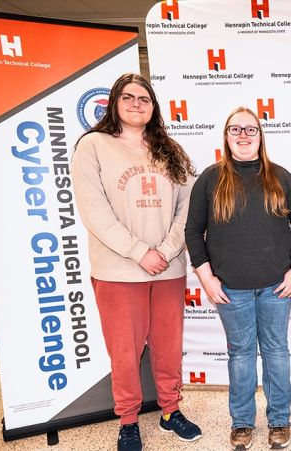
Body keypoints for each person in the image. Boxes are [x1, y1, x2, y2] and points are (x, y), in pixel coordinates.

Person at [71, 73, 201, 451]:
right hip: (118, 270)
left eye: (144, 99)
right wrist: (139, 251)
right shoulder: (93, 145)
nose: (136, 104)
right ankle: (128, 420)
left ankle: (170, 411)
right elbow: (94, 211)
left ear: (153, 107)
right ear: (114, 102)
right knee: (125, 353)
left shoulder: (170, 149)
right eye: (128, 97)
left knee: (168, 347)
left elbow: (187, 207)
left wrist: (166, 250)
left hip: (167, 268)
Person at [185, 107, 291, 450]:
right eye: (235, 129)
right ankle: (242, 423)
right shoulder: (210, 179)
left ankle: (279, 420)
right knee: (240, 355)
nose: (243, 135)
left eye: (250, 129)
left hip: (276, 288)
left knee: (276, 352)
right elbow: (193, 232)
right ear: (226, 136)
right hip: (230, 289)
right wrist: (207, 279)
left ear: (260, 135)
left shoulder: (280, 177)